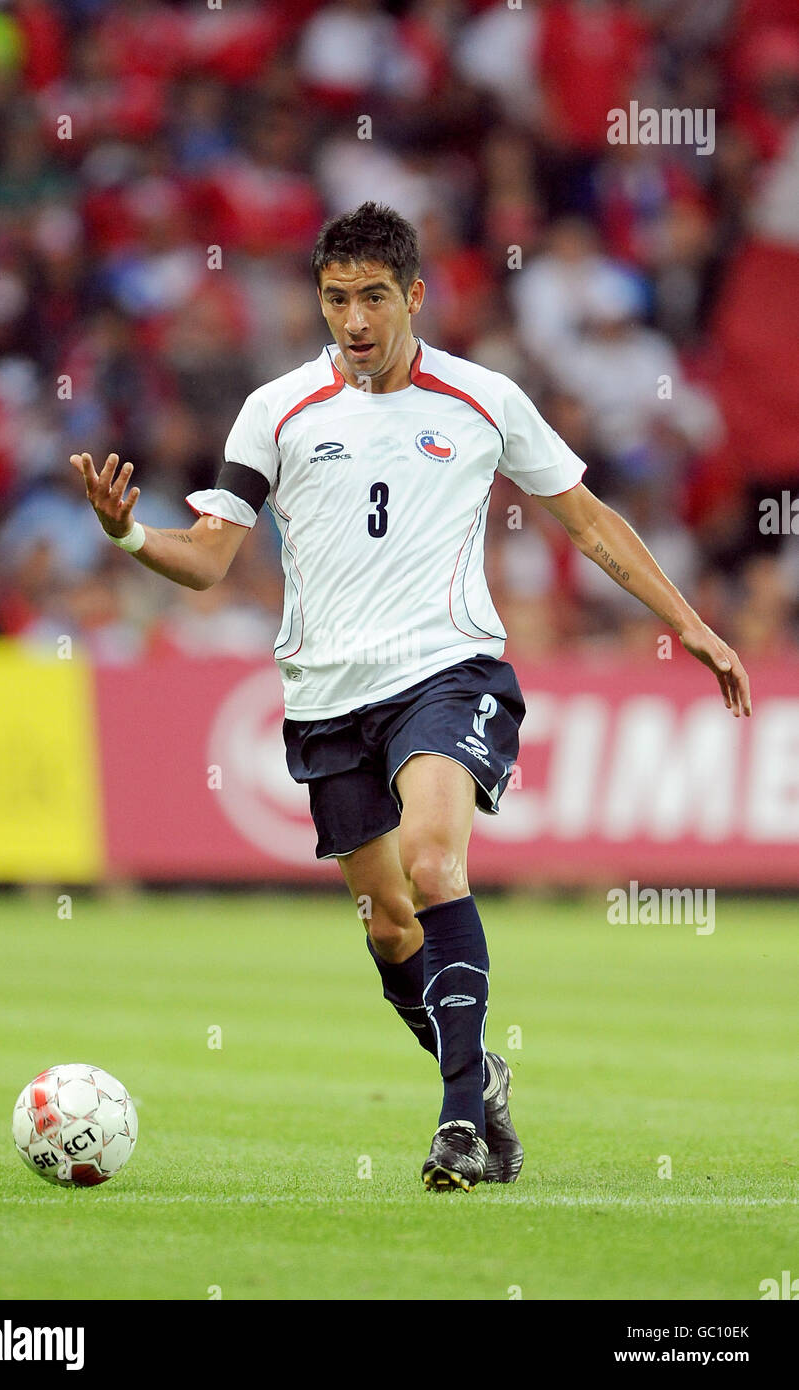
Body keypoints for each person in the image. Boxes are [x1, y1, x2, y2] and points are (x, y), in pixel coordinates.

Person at [71, 203, 751, 1192]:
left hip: (446, 669)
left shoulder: (481, 397)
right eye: (336, 297)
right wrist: (128, 536)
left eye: (373, 297)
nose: (354, 318)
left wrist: (685, 621)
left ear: (413, 296)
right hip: (324, 698)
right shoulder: (276, 409)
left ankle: (457, 1127)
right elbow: (209, 560)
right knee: (388, 925)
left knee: (435, 864)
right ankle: (479, 1075)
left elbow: (589, 521)